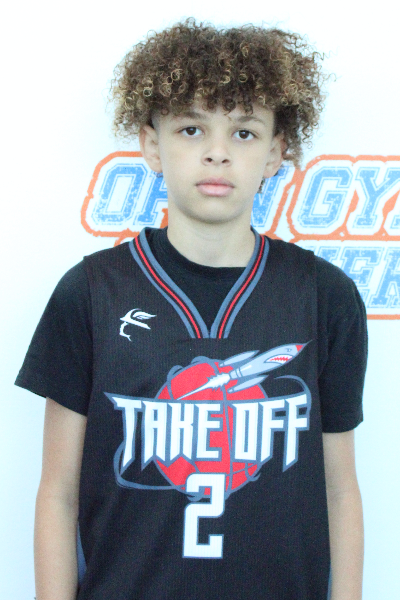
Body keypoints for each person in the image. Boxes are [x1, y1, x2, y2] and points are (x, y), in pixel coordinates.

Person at [16, 18, 367, 600]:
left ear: (277, 151)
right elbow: (58, 493)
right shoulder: (91, 292)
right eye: (191, 128)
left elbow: (339, 490)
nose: (217, 153)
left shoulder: (323, 296)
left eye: (245, 132)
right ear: (152, 145)